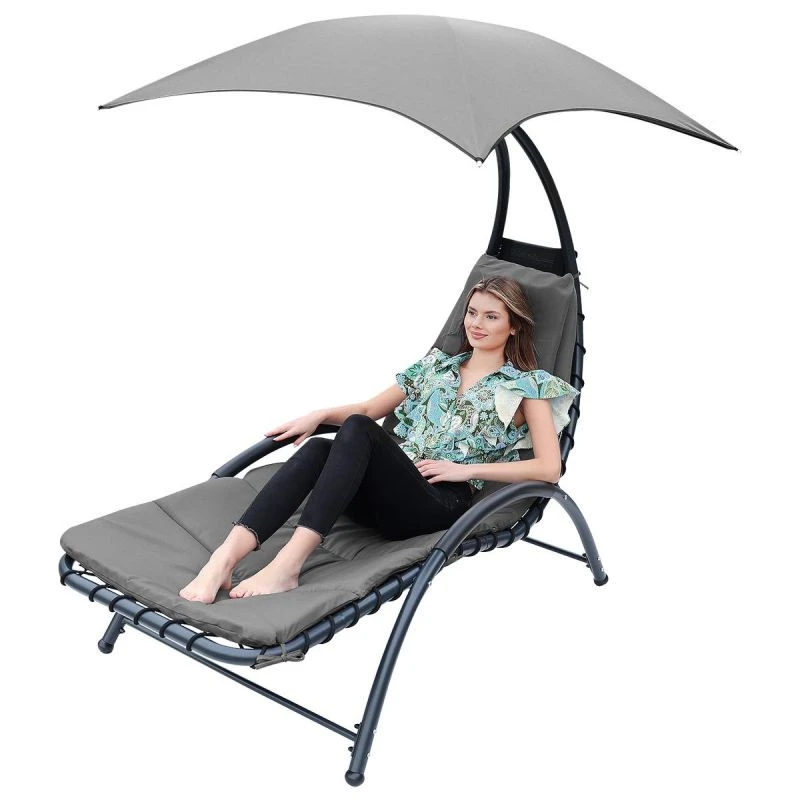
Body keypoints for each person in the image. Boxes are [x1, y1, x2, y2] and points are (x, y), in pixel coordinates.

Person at [179, 276, 579, 603]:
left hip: (436, 503)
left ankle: (288, 566)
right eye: (472, 312)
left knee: (357, 429)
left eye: (491, 317)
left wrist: (463, 470)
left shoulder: (526, 386)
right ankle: (224, 560)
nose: (476, 323)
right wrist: (318, 415)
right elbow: (369, 408)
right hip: (388, 494)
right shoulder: (435, 366)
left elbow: (549, 468)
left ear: (514, 325)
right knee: (320, 446)